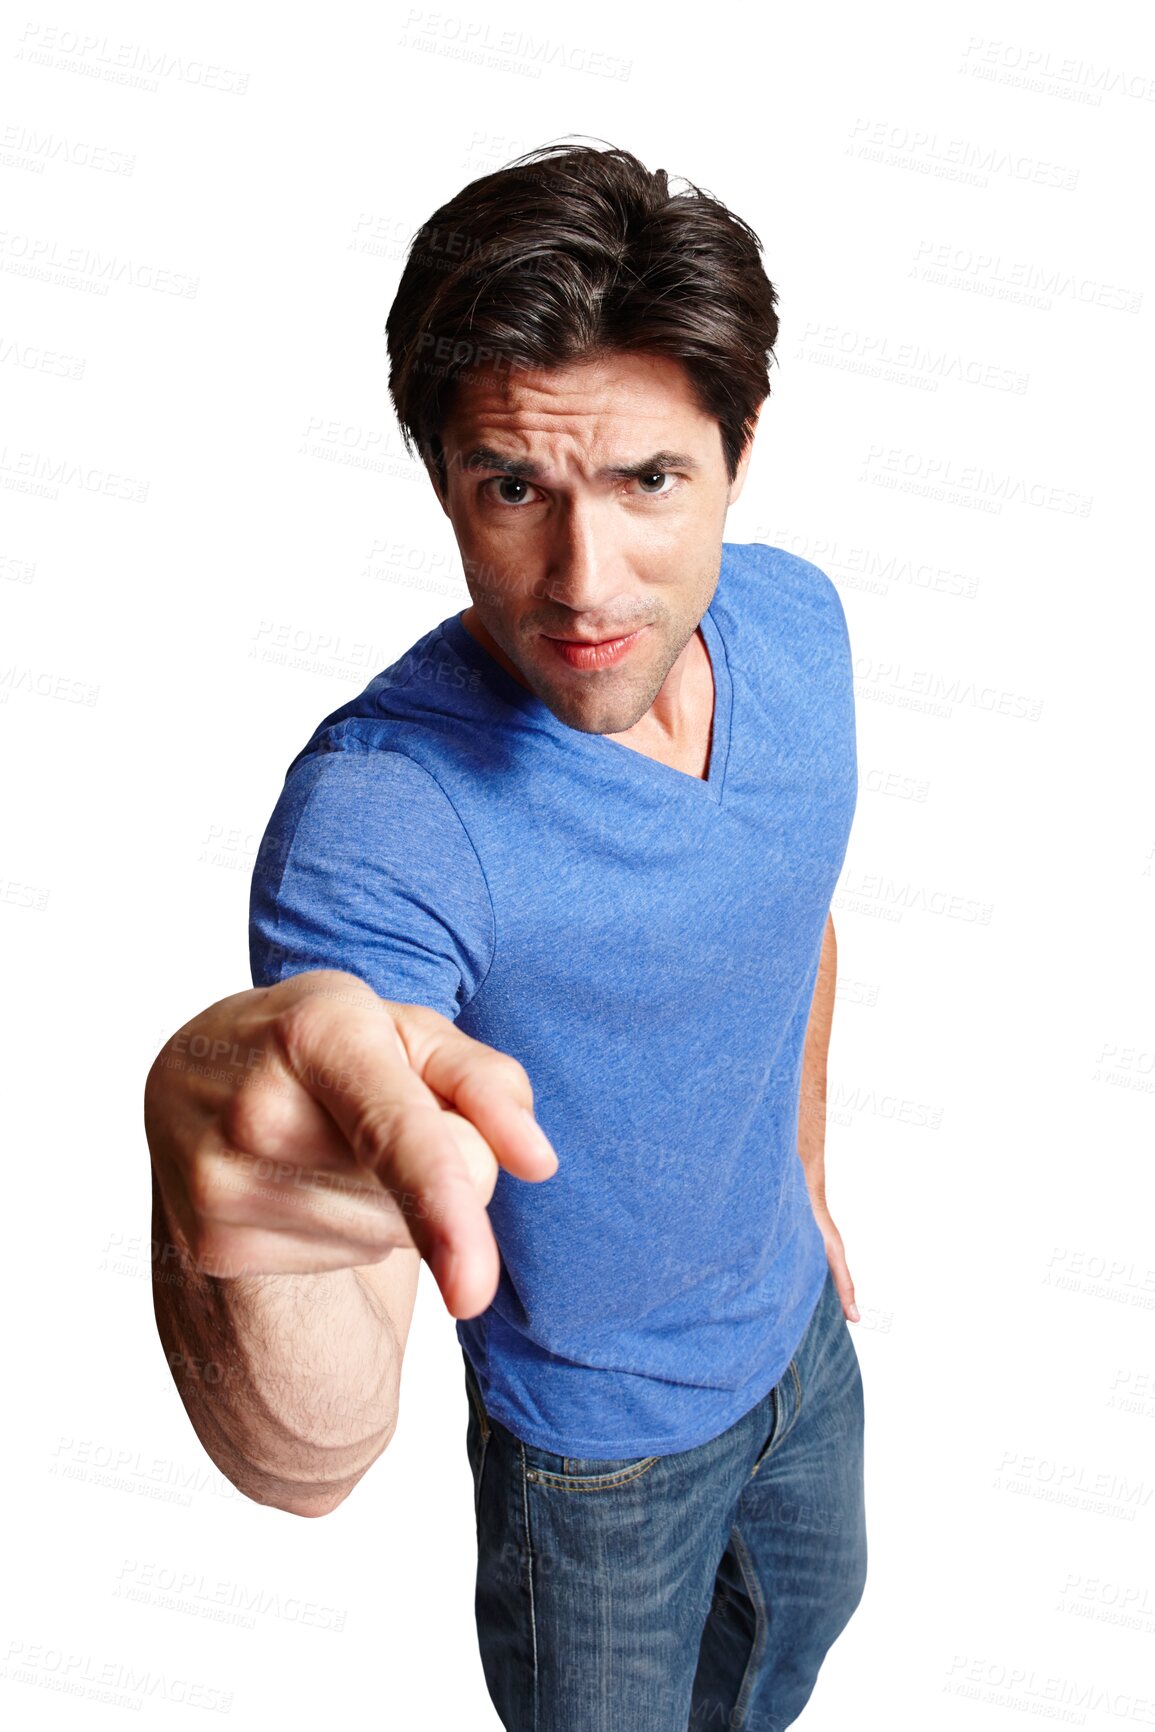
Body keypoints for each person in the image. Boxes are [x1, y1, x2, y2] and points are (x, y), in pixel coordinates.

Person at [145, 141, 866, 1731]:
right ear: (444, 484)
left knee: (794, 1653)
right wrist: (229, 1207)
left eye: (648, 482)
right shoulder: (385, 819)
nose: (583, 580)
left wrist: (803, 1189)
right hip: (597, 1462)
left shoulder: (802, 631)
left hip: (803, 1352)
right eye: (512, 488)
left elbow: (789, 923)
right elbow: (304, 1451)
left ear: (741, 449)